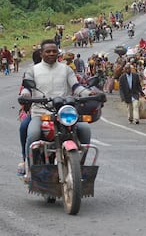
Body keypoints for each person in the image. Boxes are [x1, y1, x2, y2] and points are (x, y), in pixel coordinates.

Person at [20, 39, 95, 181]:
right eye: (48, 51)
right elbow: (27, 88)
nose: (51, 53)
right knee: (33, 134)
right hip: (41, 113)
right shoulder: (32, 71)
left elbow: (76, 87)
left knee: (85, 129)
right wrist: (25, 95)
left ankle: (79, 166)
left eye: (54, 51)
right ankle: (30, 170)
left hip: (65, 113)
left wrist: (88, 94)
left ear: (58, 53)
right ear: (41, 53)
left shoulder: (66, 69)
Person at [16, 49, 42, 176]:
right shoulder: (30, 73)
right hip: (37, 110)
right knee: (24, 127)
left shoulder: (63, 70)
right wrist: (25, 97)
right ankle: (25, 159)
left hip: (59, 111)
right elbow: (24, 89)